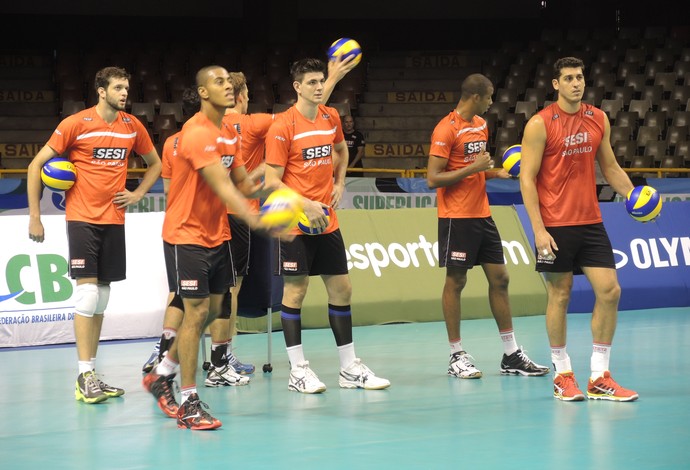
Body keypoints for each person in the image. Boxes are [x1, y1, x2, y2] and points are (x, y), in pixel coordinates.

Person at [142, 65, 282, 430]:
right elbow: (223, 189)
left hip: (217, 233)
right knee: (195, 313)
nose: (228, 87)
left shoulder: (226, 137)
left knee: (208, 311)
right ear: (202, 92)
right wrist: (262, 222)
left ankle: (162, 373)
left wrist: (270, 176)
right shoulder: (196, 135)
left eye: (229, 82)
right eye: (218, 82)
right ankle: (189, 401)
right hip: (186, 235)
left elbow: (244, 188)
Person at [27, 66, 162, 404]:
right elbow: (35, 166)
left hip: (114, 220)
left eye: (126, 88)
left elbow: (156, 164)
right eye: (118, 88)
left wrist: (137, 193)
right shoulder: (76, 124)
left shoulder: (133, 126)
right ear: (101, 91)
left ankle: (93, 375)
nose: (124, 93)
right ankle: (84, 374)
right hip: (82, 218)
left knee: (102, 298)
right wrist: (35, 217)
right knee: (87, 297)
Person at [265, 58, 390, 394]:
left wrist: (340, 181)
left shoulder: (330, 117)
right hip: (294, 220)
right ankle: (298, 370)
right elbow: (271, 181)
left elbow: (340, 150)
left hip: (327, 220)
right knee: (296, 291)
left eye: (322, 81)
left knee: (342, 288)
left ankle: (349, 368)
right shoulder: (283, 126)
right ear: (297, 87)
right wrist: (305, 203)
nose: (319, 87)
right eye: (311, 82)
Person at [519, 56, 639, 402]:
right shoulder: (540, 124)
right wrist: (538, 230)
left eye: (580, 77)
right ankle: (562, 372)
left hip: (590, 221)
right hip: (555, 225)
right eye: (569, 78)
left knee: (610, 291)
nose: (576, 83)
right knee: (560, 294)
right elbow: (527, 179)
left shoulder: (597, 118)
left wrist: (634, 196)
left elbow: (611, 167)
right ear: (555, 84)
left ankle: (599, 374)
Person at [426, 73, 549, 380]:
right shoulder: (446, 129)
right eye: (490, 96)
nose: (493, 102)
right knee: (456, 282)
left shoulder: (481, 125)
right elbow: (432, 178)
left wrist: (492, 174)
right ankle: (456, 354)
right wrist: (474, 168)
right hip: (456, 217)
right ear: (475, 97)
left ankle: (511, 354)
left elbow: (473, 173)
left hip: (482, 214)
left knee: (501, 279)